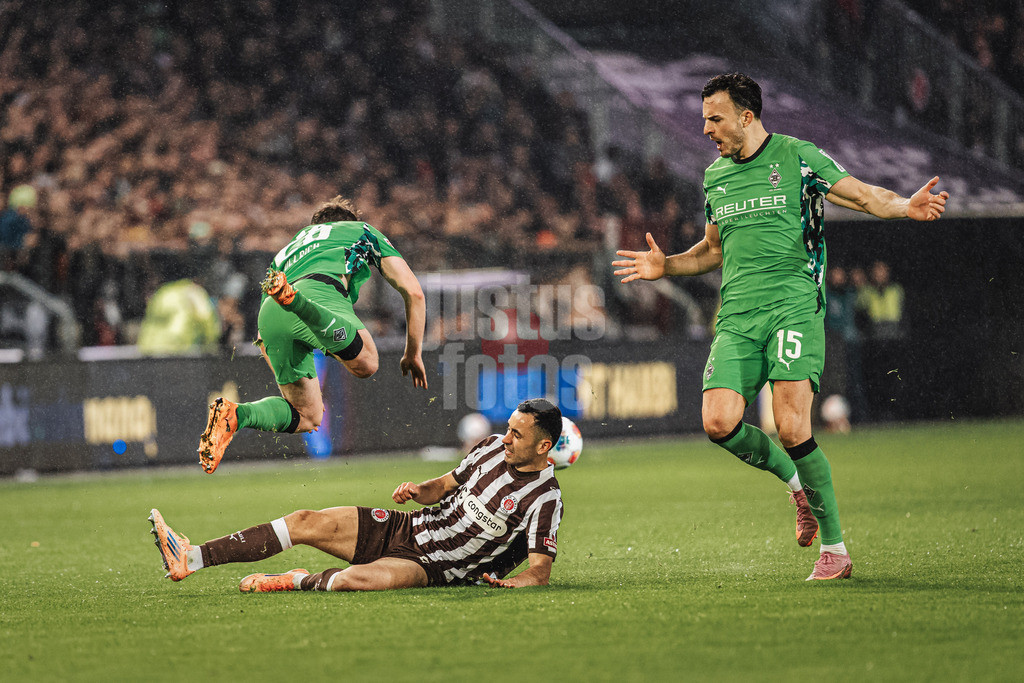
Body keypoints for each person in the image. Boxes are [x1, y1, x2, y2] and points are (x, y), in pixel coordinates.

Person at [612, 73, 948, 581]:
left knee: (792, 426)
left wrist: (905, 206)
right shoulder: (715, 177)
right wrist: (669, 266)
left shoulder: (798, 157)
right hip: (738, 317)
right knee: (718, 423)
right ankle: (797, 487)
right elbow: (712, 251)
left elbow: (861, 196)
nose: (706, 128)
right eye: (704, 118)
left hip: (793, 306)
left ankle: (834, 550)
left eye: (715, 118)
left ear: (746, 117)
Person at [152, 399, 565, 591]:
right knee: (304, 521)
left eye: (518, 434)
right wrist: (419, 490)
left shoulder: (546, 498)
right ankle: (190, 558)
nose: (506, 438)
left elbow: (540, 569)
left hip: (434, 567)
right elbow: (443, 486)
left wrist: (520, 584)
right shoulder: (491, 445)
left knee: (354, 581)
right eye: (509, 428)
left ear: (543, 447)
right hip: (412, 525)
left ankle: (296, 581)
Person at [198, 196, 428, 474]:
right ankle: (298, 302)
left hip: (270, 314)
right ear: (347, 221)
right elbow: (413, 292)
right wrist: (413, 352)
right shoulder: (359, 230)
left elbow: (261, 335)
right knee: (367, 362)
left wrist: (287, 372)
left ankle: (236, 414)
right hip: (316, 294)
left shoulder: (287, 250)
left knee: (308, 416)